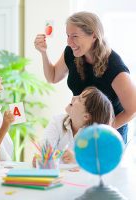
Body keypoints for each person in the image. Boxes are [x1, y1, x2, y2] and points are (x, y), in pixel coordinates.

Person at [34, 11, 136, 143]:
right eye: (68, 36)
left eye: (75, 36)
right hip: (82, 131)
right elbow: (52, 77)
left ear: (93, 35)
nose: (69, 42)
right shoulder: (71, 53)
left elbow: (132, 110)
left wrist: (101, 130)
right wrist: (43, 53)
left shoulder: (114, 67)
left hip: (109, 135)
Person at [43, 86, 114, 163]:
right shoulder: (57, 121)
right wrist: (41, 158)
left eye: (79, 99)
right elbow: (45, 150)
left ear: (86, 116)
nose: (73, 97)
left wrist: (78, 159)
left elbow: (101, 164)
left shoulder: (95, 136)